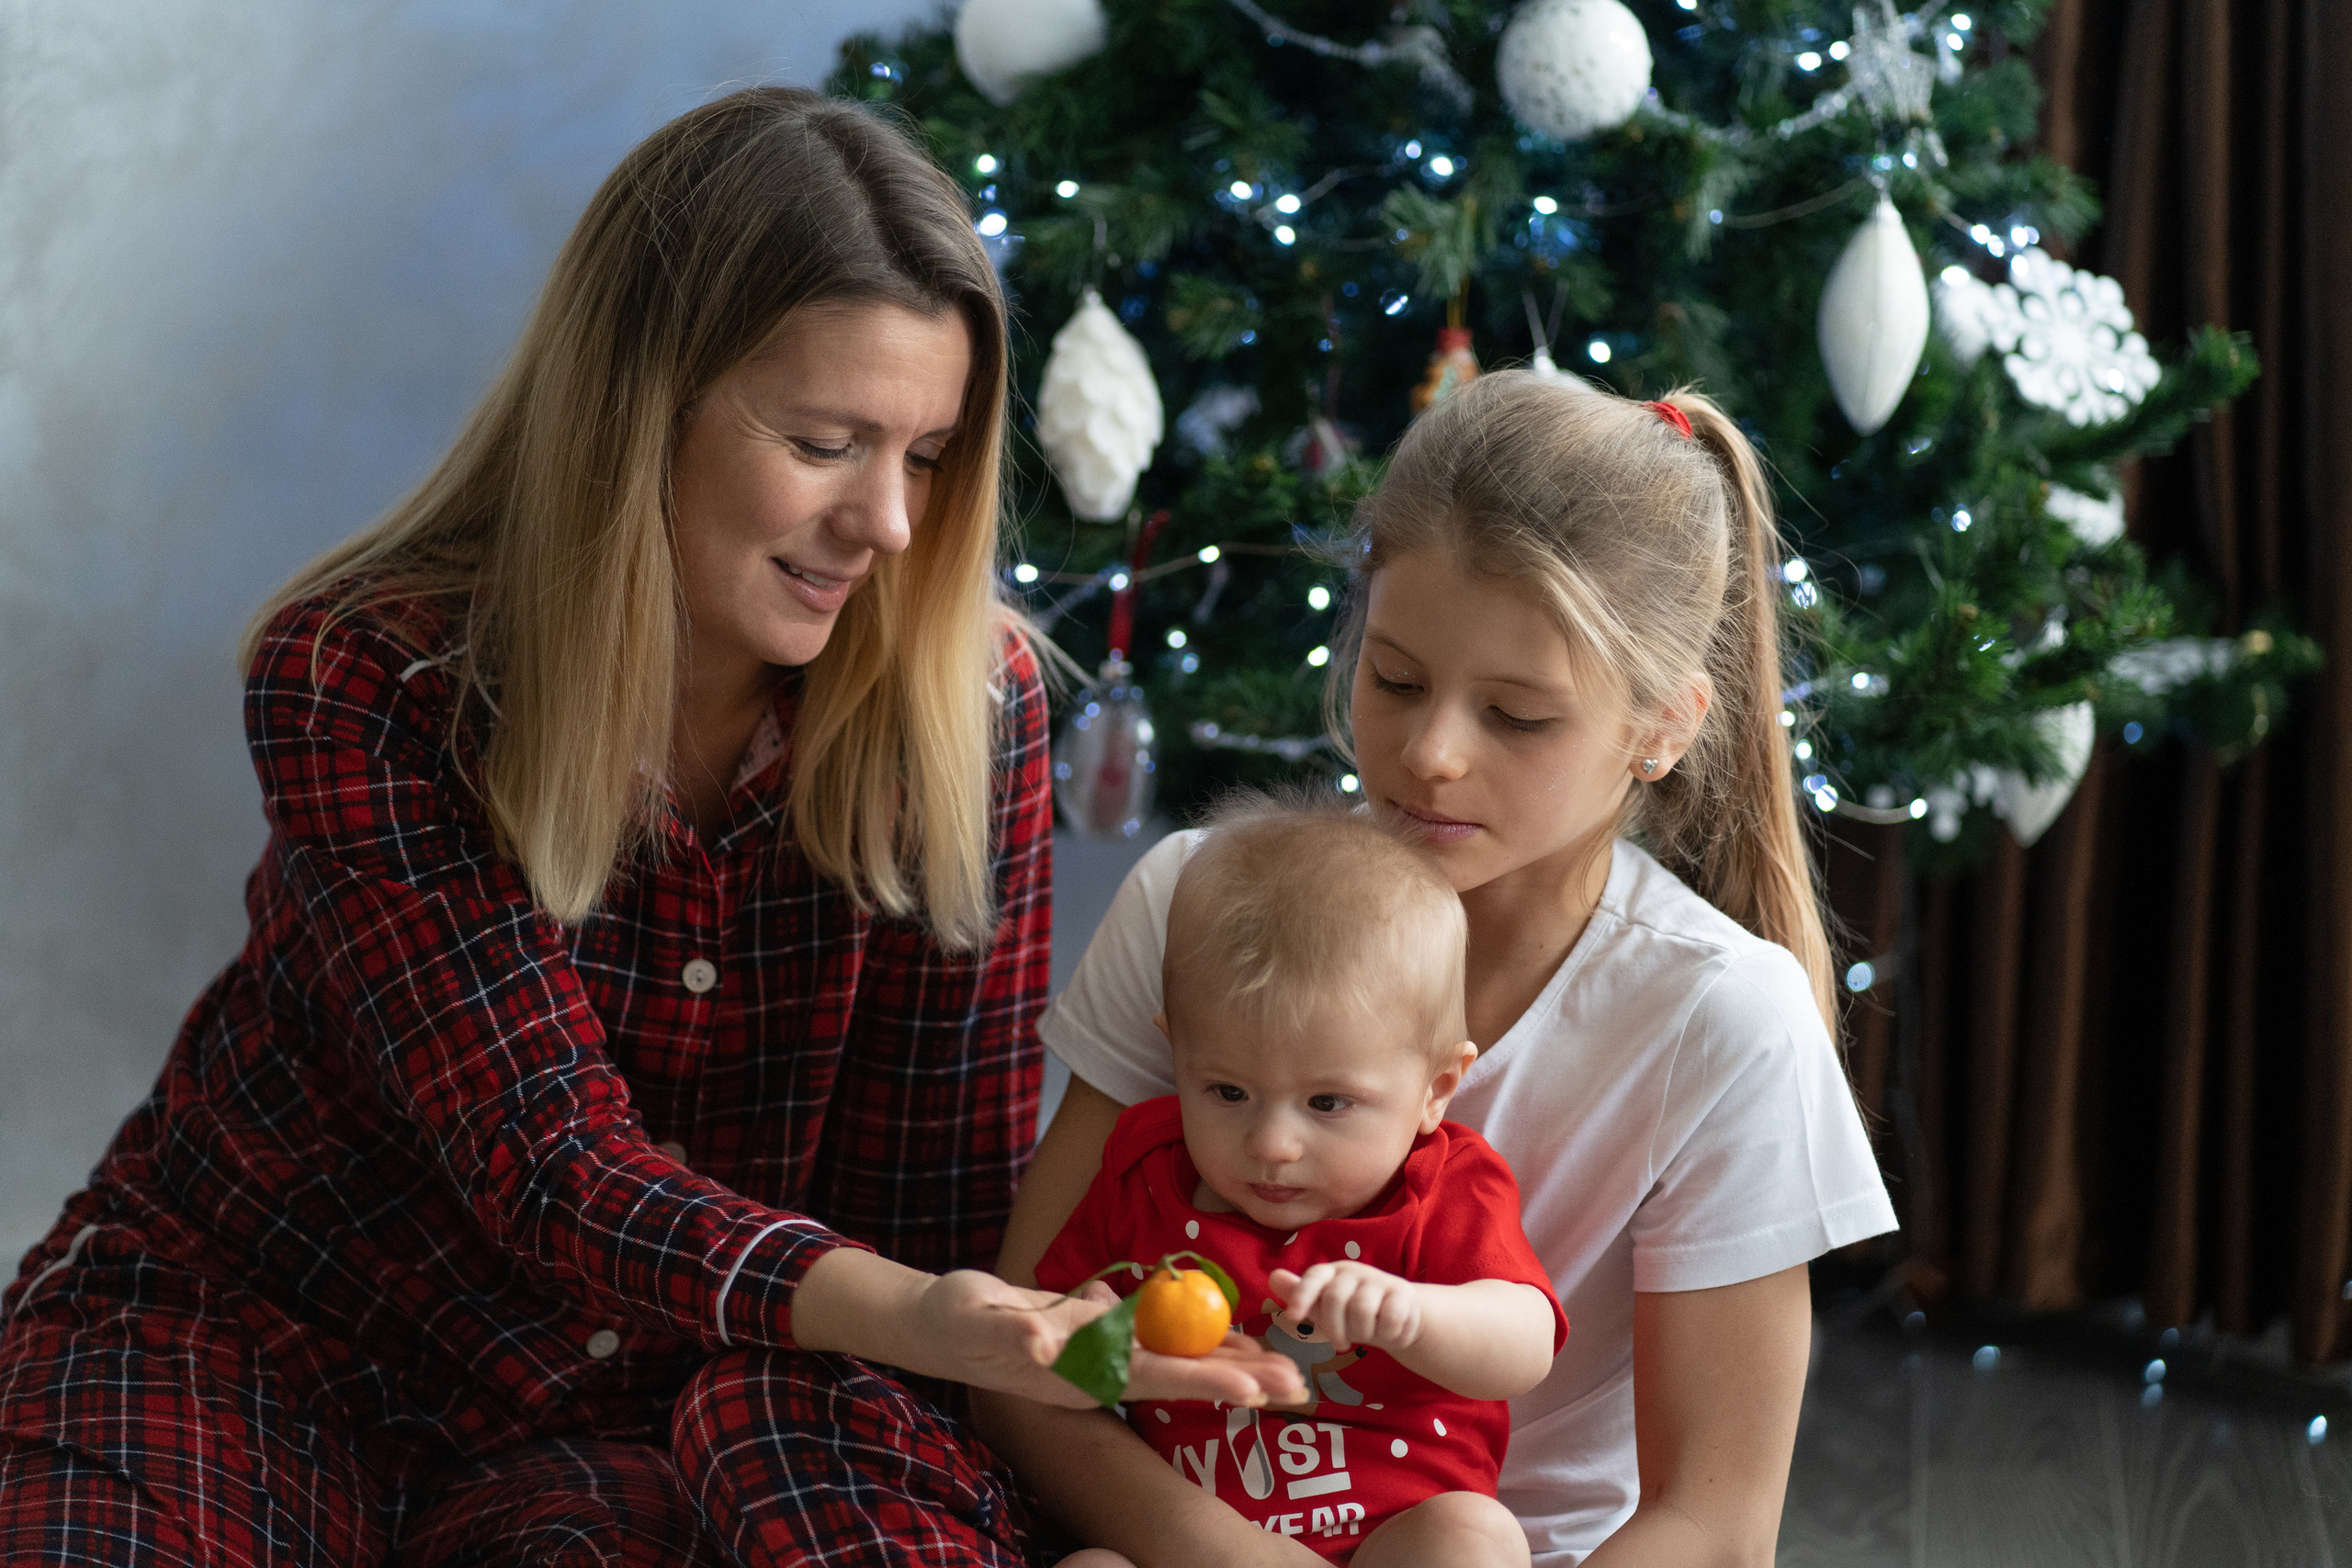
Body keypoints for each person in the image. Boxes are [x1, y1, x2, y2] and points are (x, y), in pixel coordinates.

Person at [0, 87, 1294, 1568]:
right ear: (640, 404)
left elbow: (928, 1193)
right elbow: (547, 1159)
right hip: (254, 1325)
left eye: (927, 455)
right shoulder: (363, 672)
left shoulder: (968, 708)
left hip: (642, 1405)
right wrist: (911, 1303)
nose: (888, 521)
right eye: (825, 441)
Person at [978, 372, 1901, 1566]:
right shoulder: (1198, 901)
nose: (1429, 752)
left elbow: (1713, 1526)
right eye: (1397, 678)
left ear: (1662, 726)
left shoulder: (1724, 1015)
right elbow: (1021, 1363)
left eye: (1517, 716)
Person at [1034, 795, 1567, 1568]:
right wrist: (1082, 1343)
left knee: (1474, 1539)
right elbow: (1042, 1359)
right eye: (1226, 1092)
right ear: (1174, 1051)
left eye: (1327, 1103)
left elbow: (1525, 1344)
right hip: (1187, 1547)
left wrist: (1412, 1314)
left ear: (1437, 1088)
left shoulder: (1447, 1184)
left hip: (1389, 1545)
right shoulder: (1146, 1171)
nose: (1273, 1144)